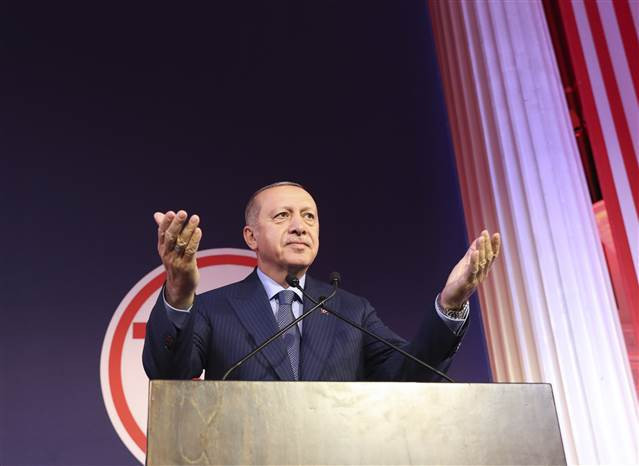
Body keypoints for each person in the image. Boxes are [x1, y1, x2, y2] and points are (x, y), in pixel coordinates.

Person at [143, 182, 500, 381]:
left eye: (309, 217)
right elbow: (168, 375)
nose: (299, 227)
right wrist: (179, 290)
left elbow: (412, 374)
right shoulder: (214, 308)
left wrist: (450, 304)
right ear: (251, 237)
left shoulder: (351, 311)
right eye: (282, 216)